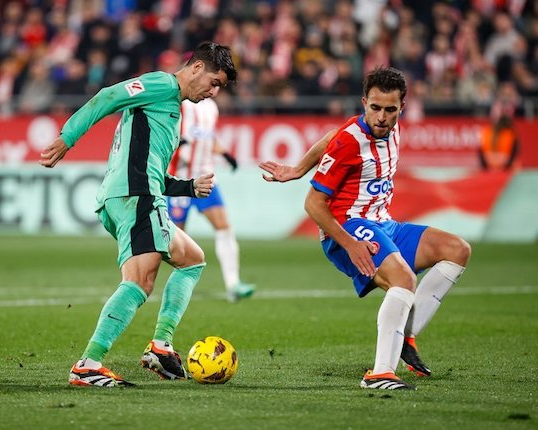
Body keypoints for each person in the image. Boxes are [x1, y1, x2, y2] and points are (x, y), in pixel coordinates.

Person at [260, 67, 471, 390]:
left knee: (457, 250)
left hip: (382, 222)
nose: (382, 117)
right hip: (345, 227)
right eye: (374, 108)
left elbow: (330, 135)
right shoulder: (351, 142)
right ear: (364, 103)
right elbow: (313, 204)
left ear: (403, 107)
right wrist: (349, 243)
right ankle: (380, 373)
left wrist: (298, 168)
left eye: (390, 109)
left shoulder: (388, 130)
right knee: (404, 279)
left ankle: (404, 336)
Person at [39, 41, 237, 387]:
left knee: (192, 259)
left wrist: (189, 187)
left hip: (135, 195)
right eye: (214, 82)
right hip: (136, 197)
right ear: (195, 68)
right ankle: (89, 363)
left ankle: (161, 345)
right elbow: (108, 96)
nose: (214, 92)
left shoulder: (171, 107)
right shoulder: (162, 85)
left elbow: (153, 169)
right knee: (140, 282)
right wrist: (67, 137)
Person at [167, 88, 256, 303]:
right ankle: (155, 282)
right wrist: (178, 143)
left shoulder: (211, 108)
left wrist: (225, 154)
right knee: (174, 240)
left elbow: (208, 137)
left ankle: (233, 285)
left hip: (206, 178)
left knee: (224, 227)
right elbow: (169, 129)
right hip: (181, 181)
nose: (215, 88)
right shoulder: (183, 104)